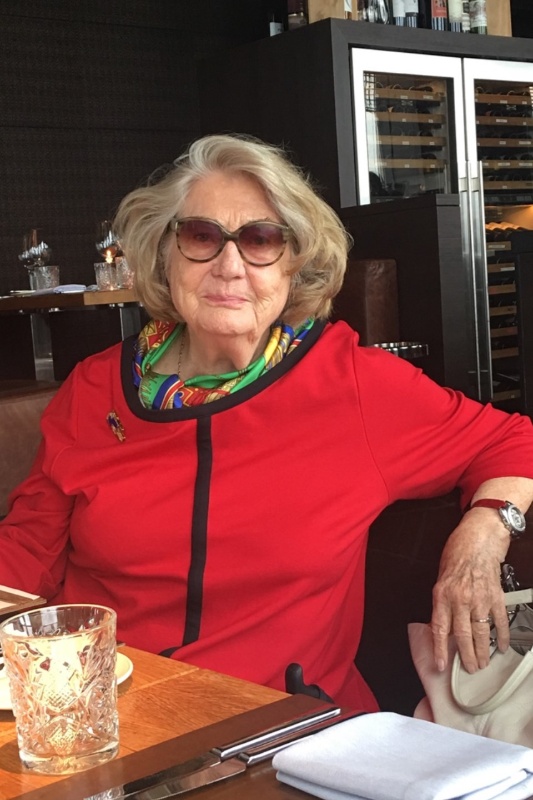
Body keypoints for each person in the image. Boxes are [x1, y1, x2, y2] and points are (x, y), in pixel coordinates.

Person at [1, 133, 533, 713]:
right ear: (163, 254)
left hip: (283, 727)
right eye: (201, 236)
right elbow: (28, 547)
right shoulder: (94, 387)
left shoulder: (352, 384)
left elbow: (513, 438)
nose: (229, 266)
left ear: (294, 266)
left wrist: (483, 534)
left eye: (261, 240)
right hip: (105, 712)